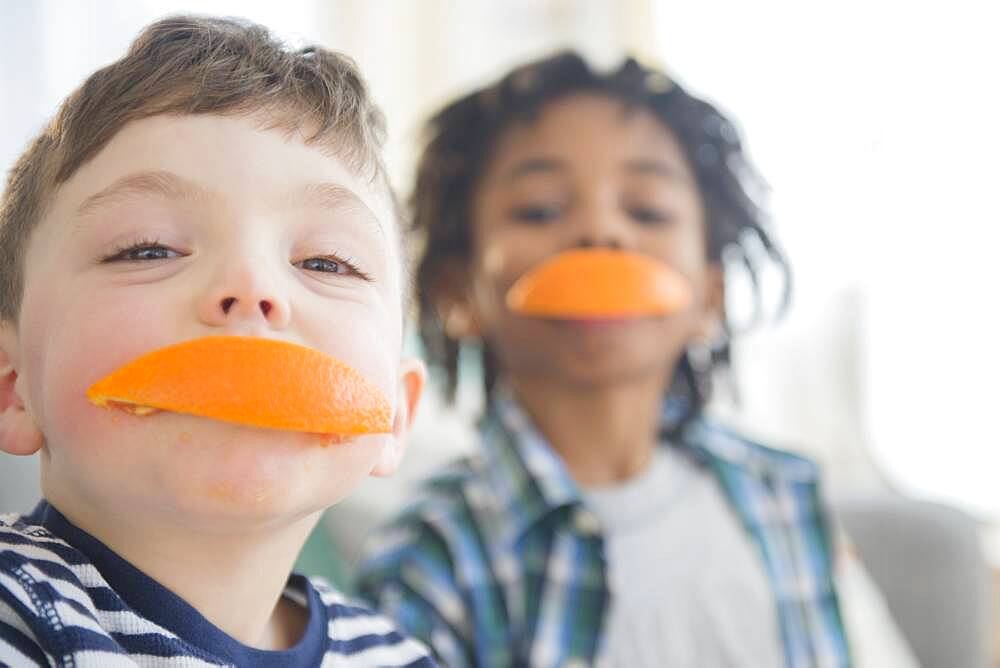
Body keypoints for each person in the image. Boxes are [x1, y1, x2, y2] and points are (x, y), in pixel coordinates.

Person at [356, 52, 916, 667]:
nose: (601, 233)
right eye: (540, 209)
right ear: (456, 293)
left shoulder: (789, 497)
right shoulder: (427, 561)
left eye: (647, 210)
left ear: (710, 295)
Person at [0, 15, 435, 666]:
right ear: (12, 386)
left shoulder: (397, 656)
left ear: (396, 415)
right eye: (146, 249)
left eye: (326, 262)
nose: (252, 287)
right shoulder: (17, 611)